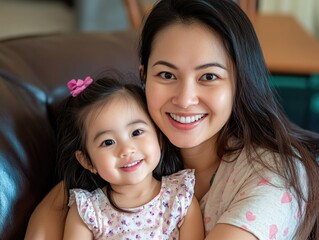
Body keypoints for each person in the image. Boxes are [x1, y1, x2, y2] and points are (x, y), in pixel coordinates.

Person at [25, 0, 319, 239]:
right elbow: (57, 205)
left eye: (209, 76)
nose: (184, 98)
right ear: (144, 77)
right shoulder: (140, 149)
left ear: (239, 83)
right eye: (166, 75)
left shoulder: (275, 177)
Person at [56, 75, 204, 239]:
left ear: (159, 138)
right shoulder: (88, 211)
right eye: (108, 142)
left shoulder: (181, 198)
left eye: (136, 132)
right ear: (87, 161)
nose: (126, 149)